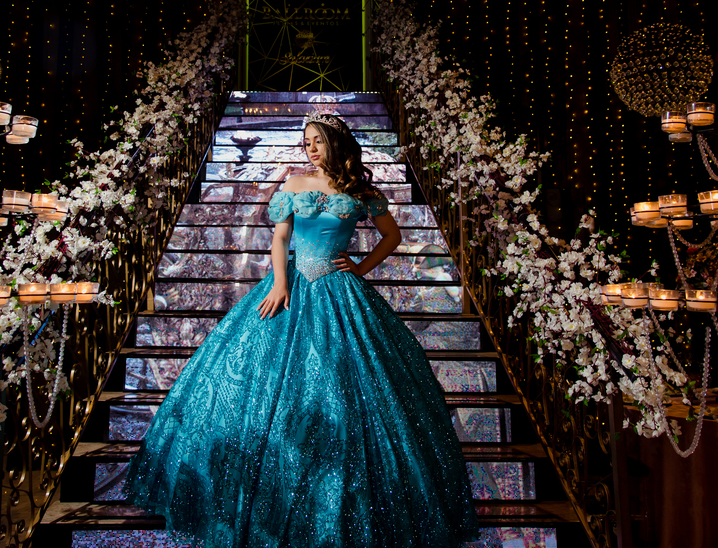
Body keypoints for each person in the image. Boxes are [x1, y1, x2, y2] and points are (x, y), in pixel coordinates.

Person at [126, 112, 479, 547]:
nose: (309, 148)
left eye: (316, 141)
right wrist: (279, 283)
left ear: (335, 143)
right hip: (292, 285)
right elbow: (279, 239)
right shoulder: (292, 185)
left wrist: (360, 267)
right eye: (305, 142)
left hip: (340, 289)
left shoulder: (362, 191)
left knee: (347, 389)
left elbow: (393, 236)